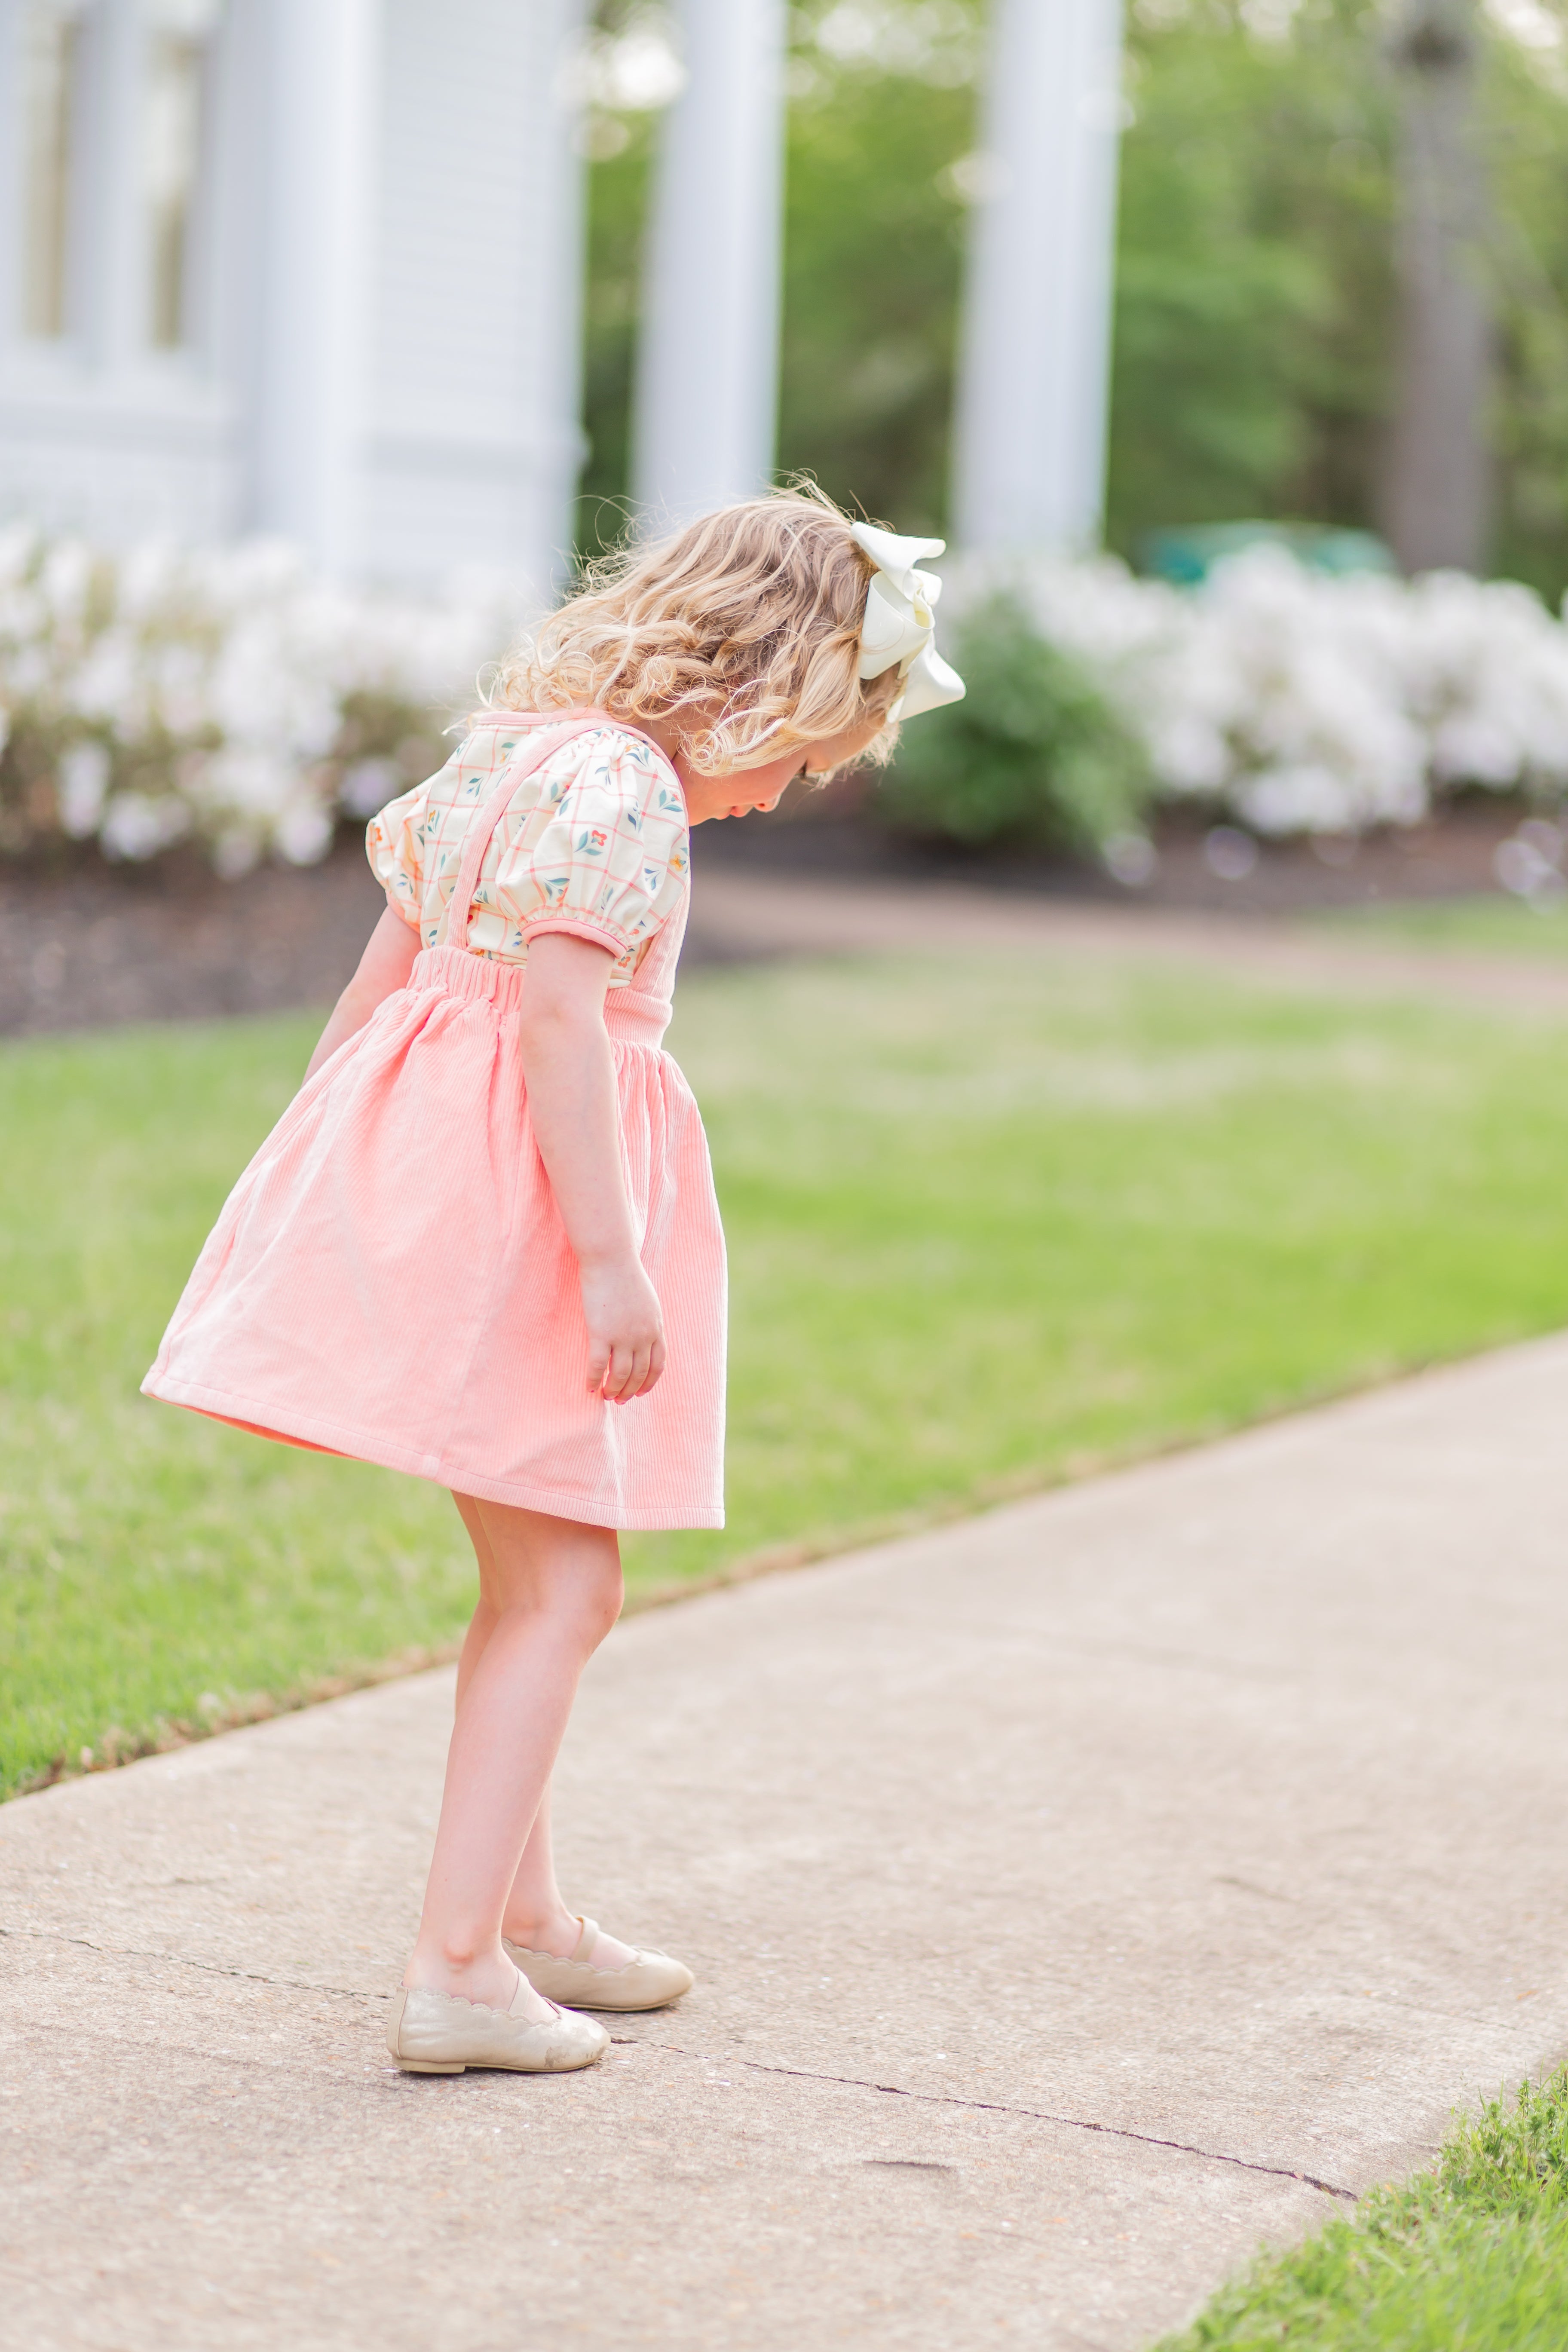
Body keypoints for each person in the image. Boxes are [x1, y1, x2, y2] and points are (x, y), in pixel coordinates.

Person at [142, 489, 964, 2076]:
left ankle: (523, 1920)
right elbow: (558, 1026)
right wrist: (610, 1263)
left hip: (440, 1181)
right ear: (761, 688)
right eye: (803, 757)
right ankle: (456, 1966)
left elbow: (383, 982)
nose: (789, 794)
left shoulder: (517, 745)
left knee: (530, 1585)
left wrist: (310, 1173)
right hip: (528, 1211)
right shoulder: (632, 790)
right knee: (571, 1588)